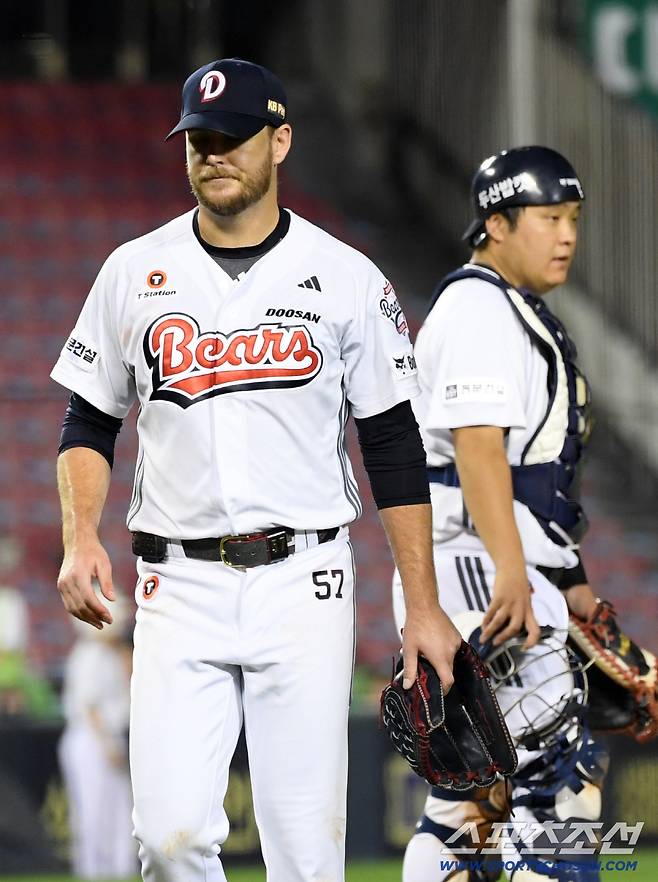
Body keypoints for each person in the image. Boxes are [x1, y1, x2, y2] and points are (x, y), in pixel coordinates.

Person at [51, 57, 461, 882]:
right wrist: (78, 538)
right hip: (177, 583)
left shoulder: (346, 277)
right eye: (199, 140)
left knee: (305, 854)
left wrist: (423, 605)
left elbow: (391, 446)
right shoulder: (134, 271)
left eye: (233, 138)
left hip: (302, 578)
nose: (214, 155)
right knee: (167, 841)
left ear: (280, 141)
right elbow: (88, 418)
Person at [392, 146, 608, 882]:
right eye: (549, 218)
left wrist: (570, 579)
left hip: (488, 555)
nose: (567, 234)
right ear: (496, 224)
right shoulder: (480, 306)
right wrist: (513, 574)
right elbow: (479, 452)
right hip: (478, 560)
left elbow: (532, 476)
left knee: (467, 805)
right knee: (558, 780)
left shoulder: (502, 305)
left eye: (573, 218)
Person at [59, 588, 136, 880]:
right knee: (92, 812)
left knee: (119, 810)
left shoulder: (116, 653)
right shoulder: (89, 652)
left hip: (113, 735)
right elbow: (88, 706)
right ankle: (92, 872)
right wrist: (106, 745)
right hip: (91, 739)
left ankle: (119, 870)